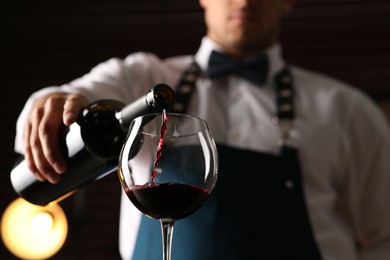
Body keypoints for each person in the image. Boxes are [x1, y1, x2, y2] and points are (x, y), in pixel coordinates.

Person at [13, 0, 390, 259]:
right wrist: (53, 103)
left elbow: (383, 237)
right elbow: (75, 97)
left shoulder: (347, 110)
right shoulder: (142, 79)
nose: (244, 1)